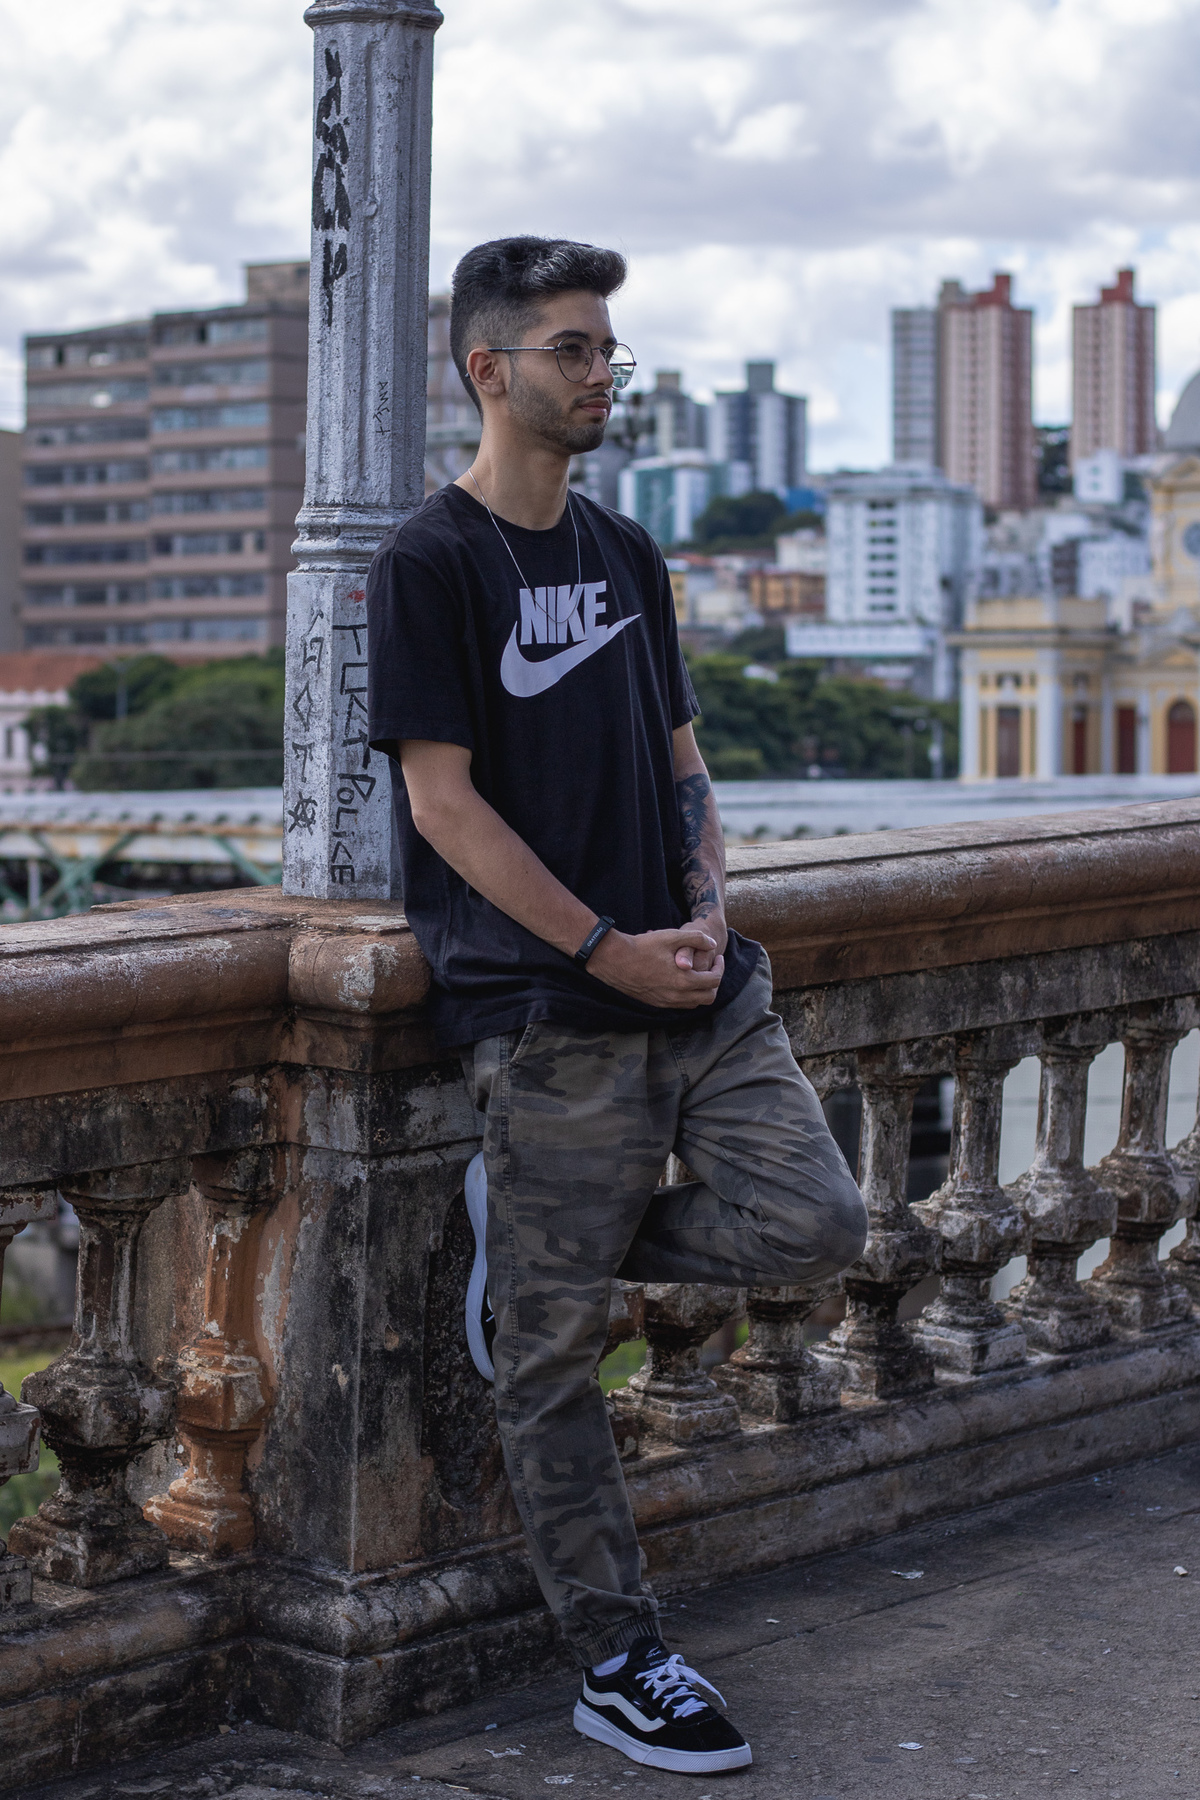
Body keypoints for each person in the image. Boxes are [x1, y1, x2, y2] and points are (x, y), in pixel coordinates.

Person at [366, 236, 867, 1776]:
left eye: (608, 351)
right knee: (553, 1366)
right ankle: (617, 1657)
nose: (602, 375)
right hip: (555, 1009)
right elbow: (443, 808)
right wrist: (605, 949)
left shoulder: (628, 552)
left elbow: (682, 762)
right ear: (488, 369)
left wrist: (707, 907)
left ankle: (534, 1249)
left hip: (702, 988)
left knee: (818, 1225)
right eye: (573, 349)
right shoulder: (431, 564)